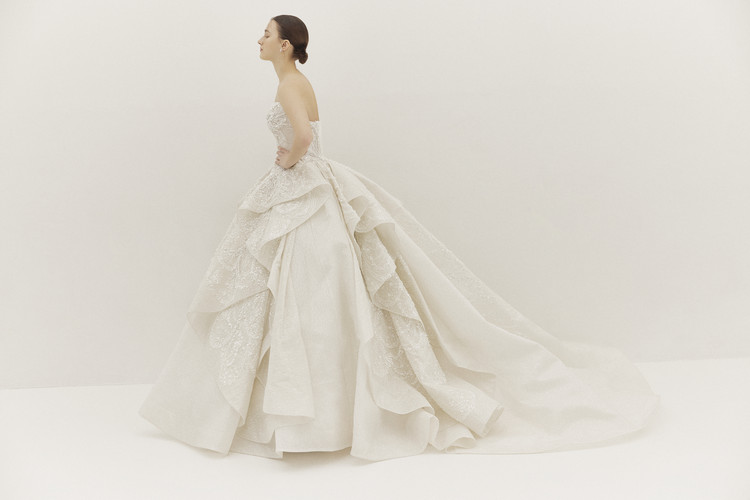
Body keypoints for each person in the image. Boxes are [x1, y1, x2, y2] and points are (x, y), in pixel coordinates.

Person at [138, 14, 660, 462]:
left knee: (303, 291)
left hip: (303, 190)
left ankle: (315, 418)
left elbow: (303, 137)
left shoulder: (288, 84)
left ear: (287, 45)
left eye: (267, 33)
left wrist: (289, 160)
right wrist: (293, 159)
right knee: (314, 293)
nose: (259, 39)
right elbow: (309, 135)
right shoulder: (296, 81)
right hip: (311, 188)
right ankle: (322, 415)